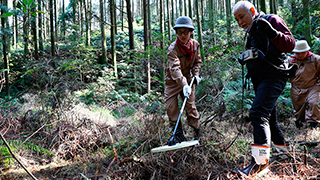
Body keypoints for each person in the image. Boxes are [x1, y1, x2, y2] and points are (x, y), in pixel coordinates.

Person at [232, 1, 296, 176]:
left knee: (258, 113)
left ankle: (259, 163)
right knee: (270, 118)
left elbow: (291, 44)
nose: (240, 22)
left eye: (241, 16)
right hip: (260, 79)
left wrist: (273, 32)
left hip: (275, 75)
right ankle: (283, 155)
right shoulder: (251, 32)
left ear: (252, 11)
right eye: (236, 19)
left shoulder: (272, 20)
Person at [165, 16, 202, 146]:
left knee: (190, 107)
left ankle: (197, 133)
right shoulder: (172, 49)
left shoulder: (195, 45)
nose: (183, 35)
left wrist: (196, 75)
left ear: (191, 32)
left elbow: (197, 62)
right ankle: (178, 134)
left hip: (188, 78)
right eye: (180, 32)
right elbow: (174, 68)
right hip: (172, 81)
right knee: (171, 107)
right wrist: (184, 84)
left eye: (185, 32)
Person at [289, 40, 320, 129]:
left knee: (313, 103)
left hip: (312, 86)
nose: (300, 55)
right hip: (296, 88)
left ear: (307, 51)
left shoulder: (316, 59)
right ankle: (299, 122)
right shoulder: (290, 61)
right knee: (298, 108)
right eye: (298, 53)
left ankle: (313, 124)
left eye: (302, 53)